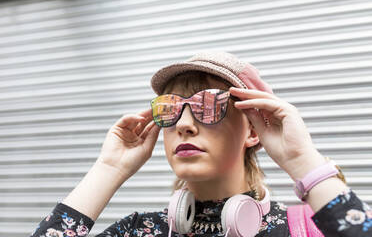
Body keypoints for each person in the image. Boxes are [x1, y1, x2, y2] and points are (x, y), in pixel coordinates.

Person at [30, 51, 372, 237]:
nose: (185, 125)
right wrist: (108, 169)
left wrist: (302, 159)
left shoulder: (312, 227)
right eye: (170, 110)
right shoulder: (139, 231)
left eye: (209, 105)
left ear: (253, 129)